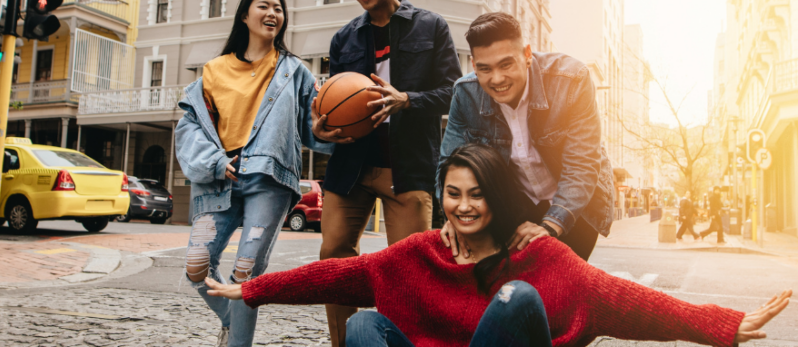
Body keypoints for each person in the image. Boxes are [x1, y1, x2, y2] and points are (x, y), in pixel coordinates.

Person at [203, 144, 791, 347]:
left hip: (517, 313)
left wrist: (723, 324)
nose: (463, 206)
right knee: (361, 329)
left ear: (496, 199)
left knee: (515, 298)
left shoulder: (541, 258)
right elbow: (330, 277)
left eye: (477, 194)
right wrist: (252, 288)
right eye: (453, 194)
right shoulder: (420, 254)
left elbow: (635, 303)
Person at [309, 0, 462, 344]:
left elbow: (453, 93)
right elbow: (334, 101)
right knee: (334, 260)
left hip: (408, 168)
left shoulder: (431, 26)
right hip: (350, 169)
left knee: (409, 271)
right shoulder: (344, 38)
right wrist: (321, 131)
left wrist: (407, 100)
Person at [174, 0, 334, 347]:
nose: (273, 13)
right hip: (219, 181)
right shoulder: (213, 70)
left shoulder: (295, 71)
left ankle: (237, 343)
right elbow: (190, 129)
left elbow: (311, 128)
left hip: (270, 179)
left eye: (279, 8)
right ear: (245, 15)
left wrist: (325, 131)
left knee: (245, 272)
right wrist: (214, 162)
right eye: (264, 6)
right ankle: (234, 325)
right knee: (196, 266)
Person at [438, 12, 614, 262]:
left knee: (561, 289)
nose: (497, 79)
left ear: (527, 55)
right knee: (512, 286)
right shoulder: (465, 93)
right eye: (485, 69)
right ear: (474, 66)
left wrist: (551, 225)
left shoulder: (572, 80)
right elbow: (448, 163)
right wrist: (452, 219)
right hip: (515, 204)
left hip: (576, 207)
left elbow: (582, 164)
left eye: (506, 65)